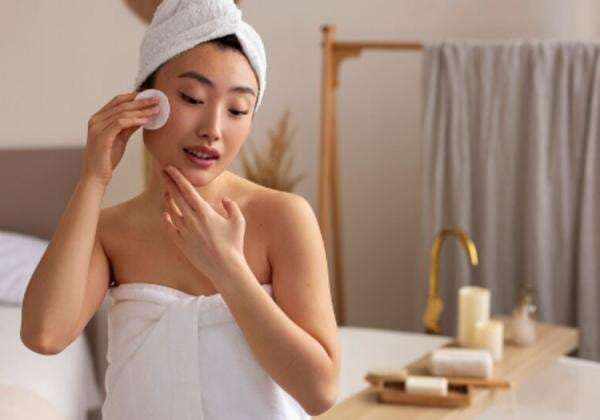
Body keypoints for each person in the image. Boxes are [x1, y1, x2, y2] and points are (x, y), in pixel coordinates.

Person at [20, 1, 340, 418]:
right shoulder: (111, 231)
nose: (213, 129)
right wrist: (93, 179)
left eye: (237, 109)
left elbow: (320, 392)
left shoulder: (283, 218)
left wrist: (228, 269)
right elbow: (44, 335)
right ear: (146, 99)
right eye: (192, 98)